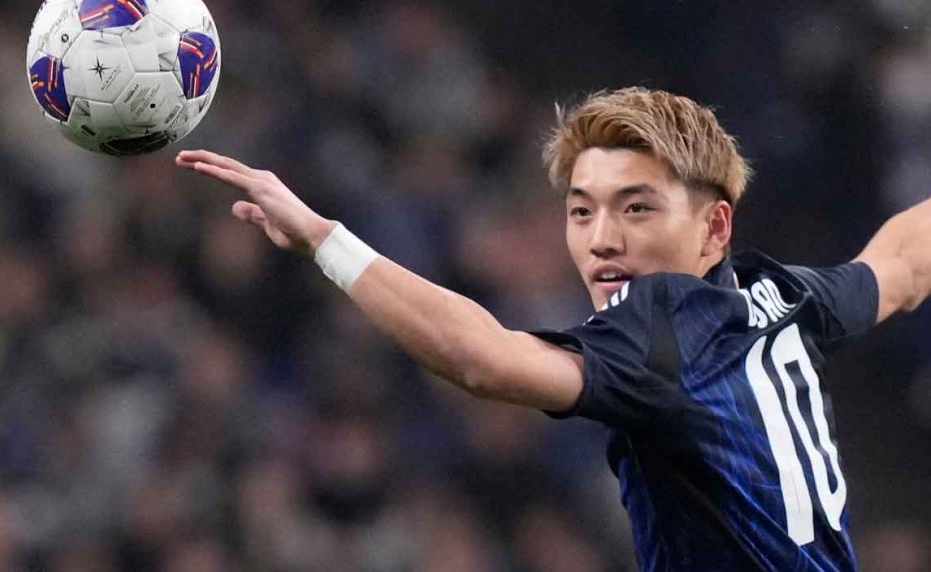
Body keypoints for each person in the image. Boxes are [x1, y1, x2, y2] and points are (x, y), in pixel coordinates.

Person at [175, 87, 930, 571]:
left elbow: (481, 359)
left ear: (713, 228)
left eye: (636, 208)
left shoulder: (660, 334)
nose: (601, 240)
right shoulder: (781, 295)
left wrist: (322, 240)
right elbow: (900, 264)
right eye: (581, 211)